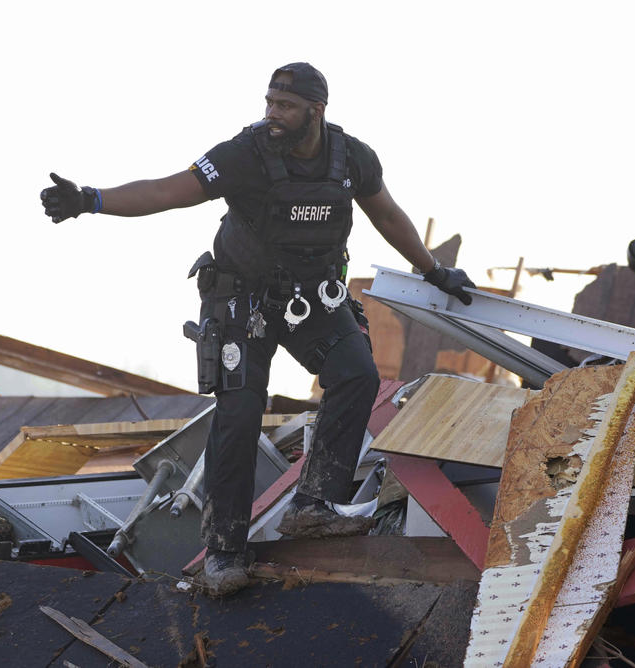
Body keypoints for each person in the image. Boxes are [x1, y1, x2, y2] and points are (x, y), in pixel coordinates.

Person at [41, 62, 475, 596]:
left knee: (358, 373)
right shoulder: (243, 155)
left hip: (313, 294)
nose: (272, 114)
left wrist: (432, 270)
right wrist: (92, 200)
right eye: (269, 102)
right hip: (240, 298)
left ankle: (314, 505)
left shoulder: (352, 159)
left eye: (285, 106)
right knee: (241, 411)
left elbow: (386, 214)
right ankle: (225, 551)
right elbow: (167, 191)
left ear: (315, 111)